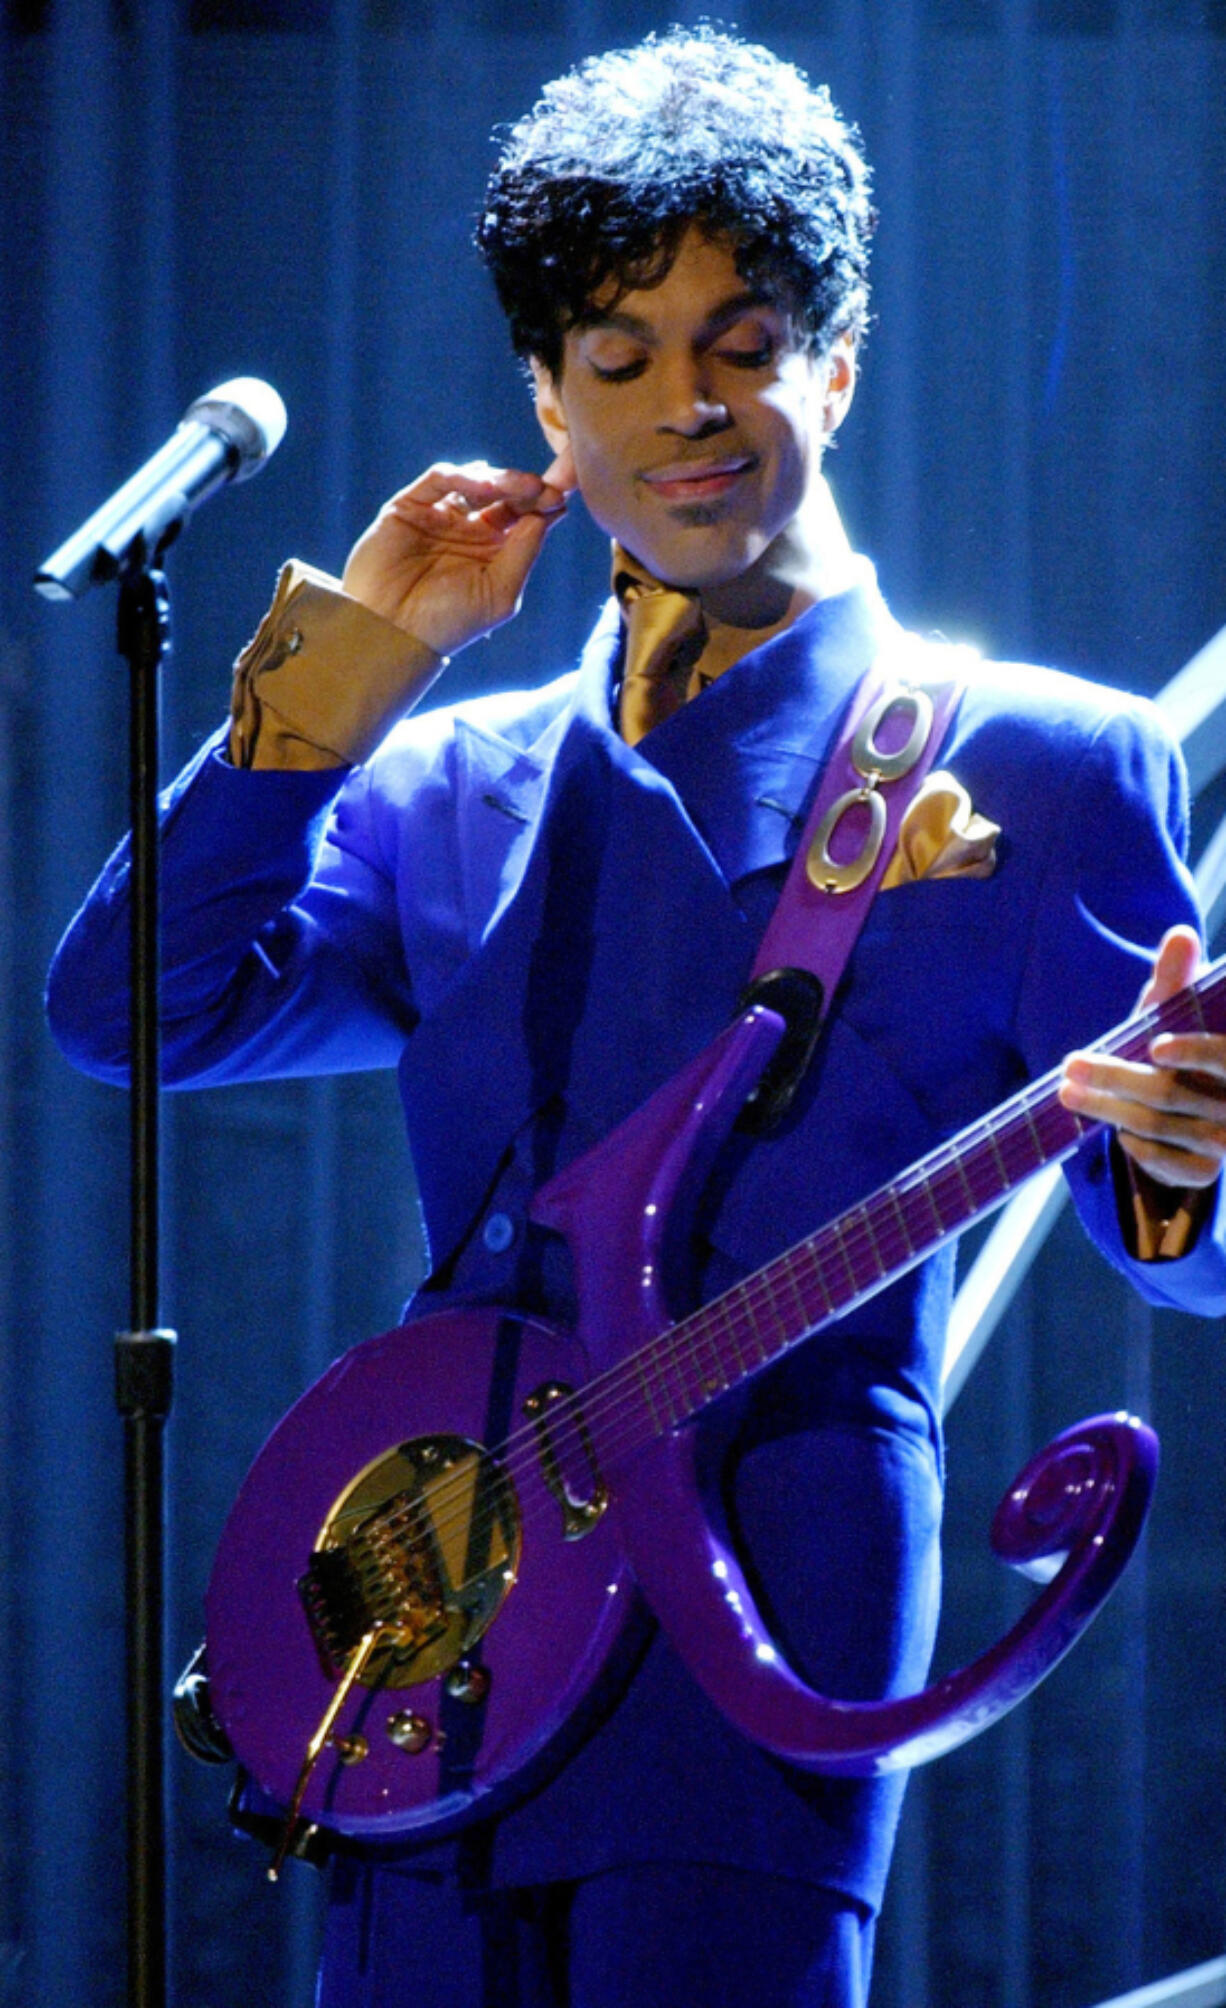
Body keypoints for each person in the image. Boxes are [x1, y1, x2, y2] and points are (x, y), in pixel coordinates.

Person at [46, 27, 1226, 2008]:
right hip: (428, 1612)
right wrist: (354, 664)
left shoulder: (1047, 758)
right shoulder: (447, 777)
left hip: (757, 1609)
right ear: (544, 402)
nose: (687, 405)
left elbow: (1182, 1248)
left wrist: (1188, 1163)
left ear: (834, 368)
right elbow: (130, 1010)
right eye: (618, 355)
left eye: (743, 344)